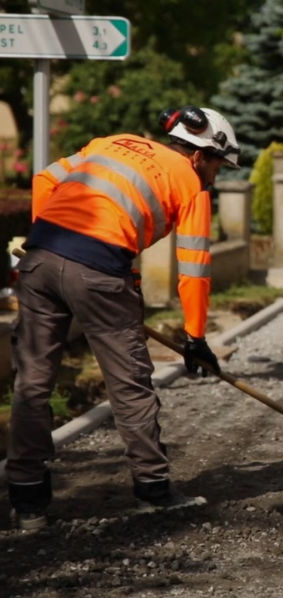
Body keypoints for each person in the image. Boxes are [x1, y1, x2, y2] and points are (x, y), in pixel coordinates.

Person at [5, 105, 241, 531]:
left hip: (39, 262)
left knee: (32, 382)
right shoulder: (190, 184)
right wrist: (195, 338)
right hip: (96, 271)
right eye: (217, 165)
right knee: (130, 384)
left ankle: (27, 502)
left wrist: (47, 239)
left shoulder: (115, 143)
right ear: (200, 154)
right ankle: (154, 490)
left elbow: (44, 180)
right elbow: (193, 269)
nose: (215, 175)